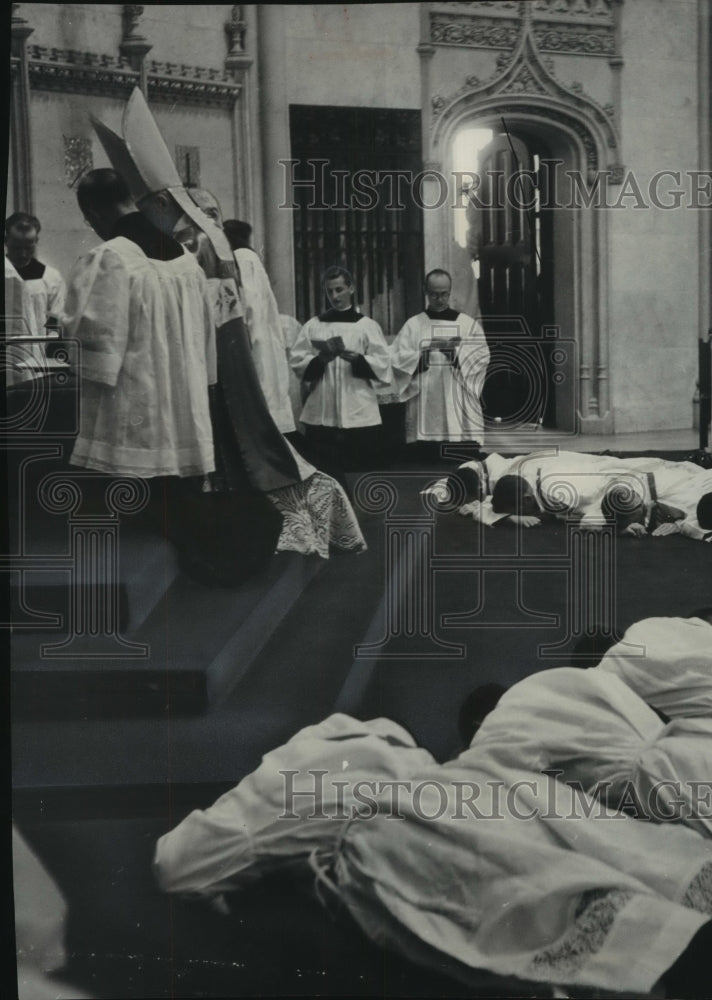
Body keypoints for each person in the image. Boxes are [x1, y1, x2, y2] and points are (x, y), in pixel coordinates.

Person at [153, 711, 712, 997]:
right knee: (603, 878)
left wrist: (269, 869)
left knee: (558, 911)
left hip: (409, 841)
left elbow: (180, 867)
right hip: (476, 797)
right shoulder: (388, 751)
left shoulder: (285, 783)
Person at [63, 168, 215, 480]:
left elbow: (95, 345)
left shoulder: (110, 257)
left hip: (134, 411)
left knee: (134, 508)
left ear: (92, 212)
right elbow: (206, 341)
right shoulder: (187, 261)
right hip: (185, 409)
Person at [289, 267, 392, 489]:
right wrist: (320, 360)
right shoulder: (314, 325)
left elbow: (383, 363)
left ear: (351, 288)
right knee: (325, 473)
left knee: (359, 474)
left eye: (339, 289)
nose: (334, 296)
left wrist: (359, 360)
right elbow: (298, 361)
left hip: (358, 408)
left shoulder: (366, 326)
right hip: (322, 408)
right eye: (329, 291)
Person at [389, 269, 489, 455]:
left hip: (457, 393)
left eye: (444, 294)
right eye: (434, 294)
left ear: (450, 292)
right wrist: (419, 359)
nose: (439, 299)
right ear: (426, 291)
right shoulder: (414, 324)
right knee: (426, 453)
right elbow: (396, 357)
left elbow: (482, 356)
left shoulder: (467, 324)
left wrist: (455, 355)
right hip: (425, 395)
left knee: (460, 448)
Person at [222, 218, 296, 436]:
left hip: (254, 344)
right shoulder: (248, 258)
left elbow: (250, 307)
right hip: (259, 342)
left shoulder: (243, 260)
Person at [5, 212, 66, 336]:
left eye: (28, 248)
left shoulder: (51, 278)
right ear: (6, 241)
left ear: (36, 241)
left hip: (39, 351)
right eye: (17, 247)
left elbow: (57, 320)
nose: (23, 254)